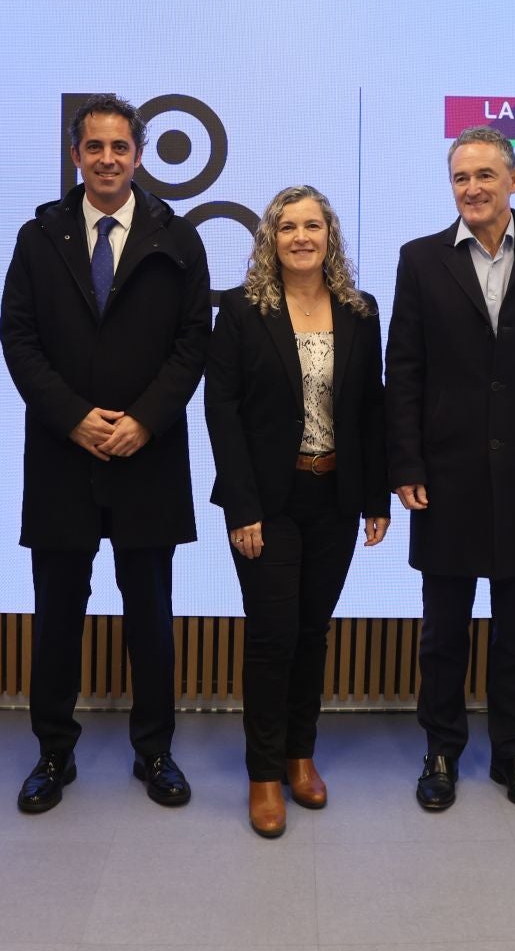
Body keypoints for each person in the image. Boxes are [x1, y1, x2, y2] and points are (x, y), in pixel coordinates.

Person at [0, 94, 211, 813]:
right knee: (57, 613)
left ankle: (156, 750)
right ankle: (53, 753)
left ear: (139, 155)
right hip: (63, 458)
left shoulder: (177, 238)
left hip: (147, 458)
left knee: (151, 614)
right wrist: (74, 419)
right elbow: (18, 341)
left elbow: (192, 347)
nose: (108, 159)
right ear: (75, 155)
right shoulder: (40, 237)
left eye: (121, 147)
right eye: (95, 147)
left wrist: (145, 421)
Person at [386, 125, 515, 812]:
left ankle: (511, 754)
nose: (471, 188)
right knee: (442, 632)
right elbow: (404, 372)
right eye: (459, 178)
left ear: (513, 181)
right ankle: (440, 752)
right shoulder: (419, 260)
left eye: (483, 175)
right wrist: (405, 462)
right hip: (444, 478)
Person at [204, 186, 390, 838]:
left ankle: (299, 755)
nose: (302, 237)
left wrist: (376, 496)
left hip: (335, 496)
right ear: (271, 239)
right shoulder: (242, 310)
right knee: (272, 634)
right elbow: (220, 411)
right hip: (267, 502)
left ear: (330, 236)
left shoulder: (360, 310)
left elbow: (372, 406)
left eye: (314, 225)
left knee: (313, 632)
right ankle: (262, 774)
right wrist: (243, 506)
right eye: (289, 227)